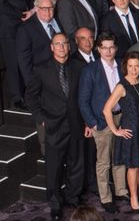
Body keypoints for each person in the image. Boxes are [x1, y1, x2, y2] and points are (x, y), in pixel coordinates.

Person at [25, 33, 85, 220]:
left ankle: (72, 197)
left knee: (76, 164)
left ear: (69, 46)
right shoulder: (41, 69)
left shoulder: (79, 67)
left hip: (75, 123)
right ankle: (55, 203)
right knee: (54, 168)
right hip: (54, 125)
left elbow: (83, 97)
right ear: (52, 47)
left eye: (64, 44)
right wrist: (41, 118)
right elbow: (31, 97)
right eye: (57, 44)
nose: (61, 47)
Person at [102, 51, 139, 213]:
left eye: (137, 66)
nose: (133, 69)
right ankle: (133, 197)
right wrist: (116, 130)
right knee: (134, 167)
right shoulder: (121, 86)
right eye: (130, 66)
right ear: (126, 67)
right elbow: (106, 110)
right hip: (130, 131)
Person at [77, 33, 127, 214]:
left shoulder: (122, 65)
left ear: (116, 48)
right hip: (101, 121)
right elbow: (83, 101)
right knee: (104, 161)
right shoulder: (90, 70)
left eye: (111, 47)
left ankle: (121, 190)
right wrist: (93, 123)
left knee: (120, 156)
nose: (108, 51)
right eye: (104, 47)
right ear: (98, 49)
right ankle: (106, 197)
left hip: (121, 117)